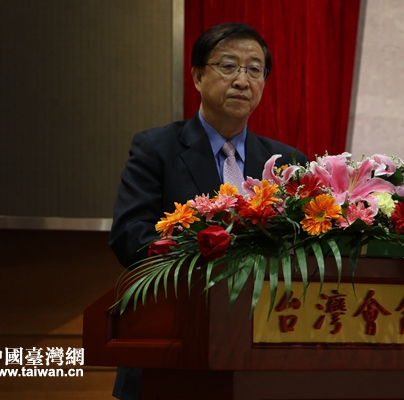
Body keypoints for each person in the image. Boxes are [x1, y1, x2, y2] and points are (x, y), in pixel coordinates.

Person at [108, 22, 309, 400]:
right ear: (198, 76)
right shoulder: (157, 148)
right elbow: (130, 235)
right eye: (228, 66)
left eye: (254, 69)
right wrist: (204, 257)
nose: (242, 80)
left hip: (262, 355)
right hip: (174, 346)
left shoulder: (288, 162)